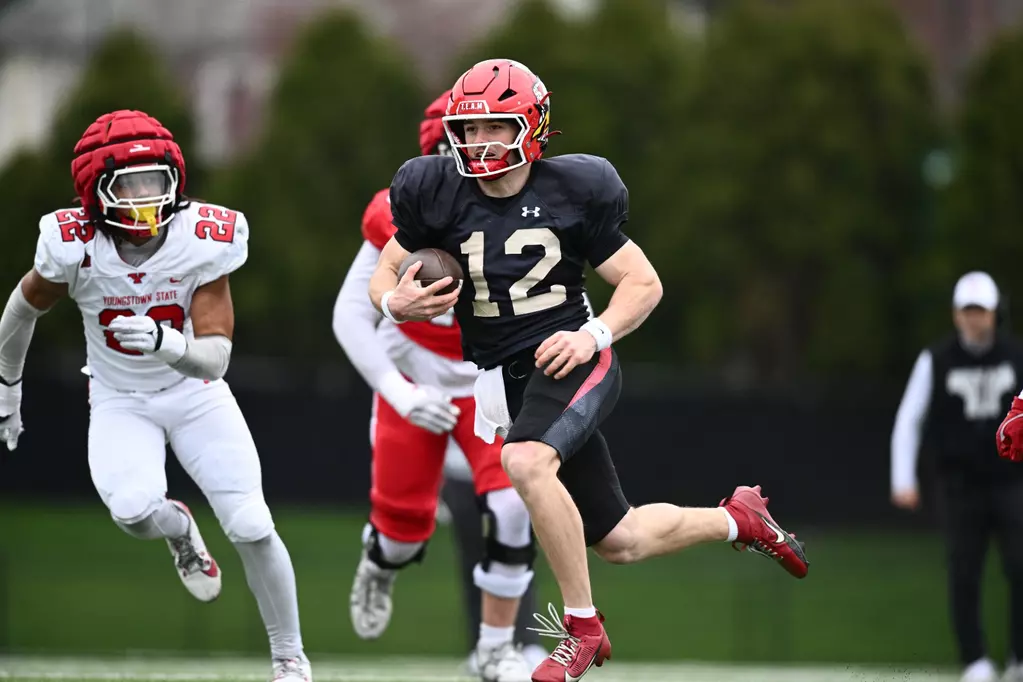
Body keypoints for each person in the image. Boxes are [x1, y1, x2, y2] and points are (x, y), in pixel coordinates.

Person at [366, 59, 810, 682]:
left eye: (494, 126)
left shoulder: (574, 188)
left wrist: (592, 333)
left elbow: (643, 281)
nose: (477, 142)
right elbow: (382, 274)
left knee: (524, 463)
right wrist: (393, 302)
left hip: (573, 359)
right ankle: (739, 518)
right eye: (468, 129)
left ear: (531, 125)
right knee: (620, 540)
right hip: (508, 379)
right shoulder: (434, 190)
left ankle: (581, 628)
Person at [0, 110, 311, 682]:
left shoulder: (201, 239)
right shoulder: (72, 245)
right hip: (119, 396)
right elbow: (21, 311)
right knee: (133, 510)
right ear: (95, 191)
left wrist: (170, 344)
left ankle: (289, 658)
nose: (146, 198)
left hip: (195, 391)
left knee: (251, 522)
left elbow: (216, 357)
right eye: (130, 185)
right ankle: (180, 531)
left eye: (155, 181)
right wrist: (7, 388)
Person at [334, 92, 538, 681]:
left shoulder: (536, 207)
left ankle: (495, 648)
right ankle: (381, 562)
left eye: (492, 138)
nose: (477, 161)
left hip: (492, 386)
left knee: (511, 505)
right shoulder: (401, 212)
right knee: (401, 537)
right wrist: (400, 394)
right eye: (464, 142)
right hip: (417, 378)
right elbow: (349, 316)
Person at [894, 271, 1023, 682]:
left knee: (1021, 566)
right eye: (967, 310)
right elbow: (909, 419)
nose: (973, 318)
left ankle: (1019, 656)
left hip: (1011, 482)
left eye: (980, 310)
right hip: (960, 485)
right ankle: (976, 661)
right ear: (955, 314)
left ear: (994, 313)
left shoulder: (1016, 357)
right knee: (963, 570)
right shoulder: (936, 359)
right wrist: (903, 479)